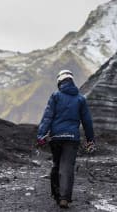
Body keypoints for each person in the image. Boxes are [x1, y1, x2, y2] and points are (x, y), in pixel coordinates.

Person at [37, 70, 95, 209]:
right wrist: (90, 140)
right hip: (72, 138)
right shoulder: (80, 99)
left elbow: (47, 117)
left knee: (56, 165)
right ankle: (64, 198)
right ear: (71, 81)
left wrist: (41, 135)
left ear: (59, 82)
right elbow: (87, 121)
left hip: (56, 137)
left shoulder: (55, 96)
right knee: (67, 167)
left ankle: (57, 195)